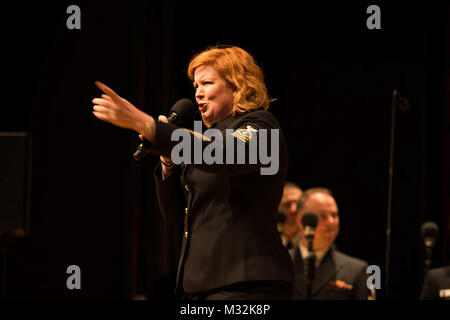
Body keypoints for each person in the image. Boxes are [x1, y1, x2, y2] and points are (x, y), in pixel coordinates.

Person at [92, 45, 294, 299]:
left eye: (207, 83)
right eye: (196, 85)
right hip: (200, 286)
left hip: (248, 285)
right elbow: (174, 214)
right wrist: (167, 159)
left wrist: (147, 125)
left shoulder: (262, 125)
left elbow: (223, 155)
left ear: (238, 85)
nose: (198, 93)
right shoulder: (207, 139)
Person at [289, 187, 372, 300]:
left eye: (334, 215)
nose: (331, 222)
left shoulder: (358, 270)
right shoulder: (280, 263)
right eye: (323, 216)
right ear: (301, 221)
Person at [278, 182, 303, 249]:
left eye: (298, 204)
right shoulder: (263, 239)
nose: (293, 209)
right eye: (287, 204)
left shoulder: (314, 239)